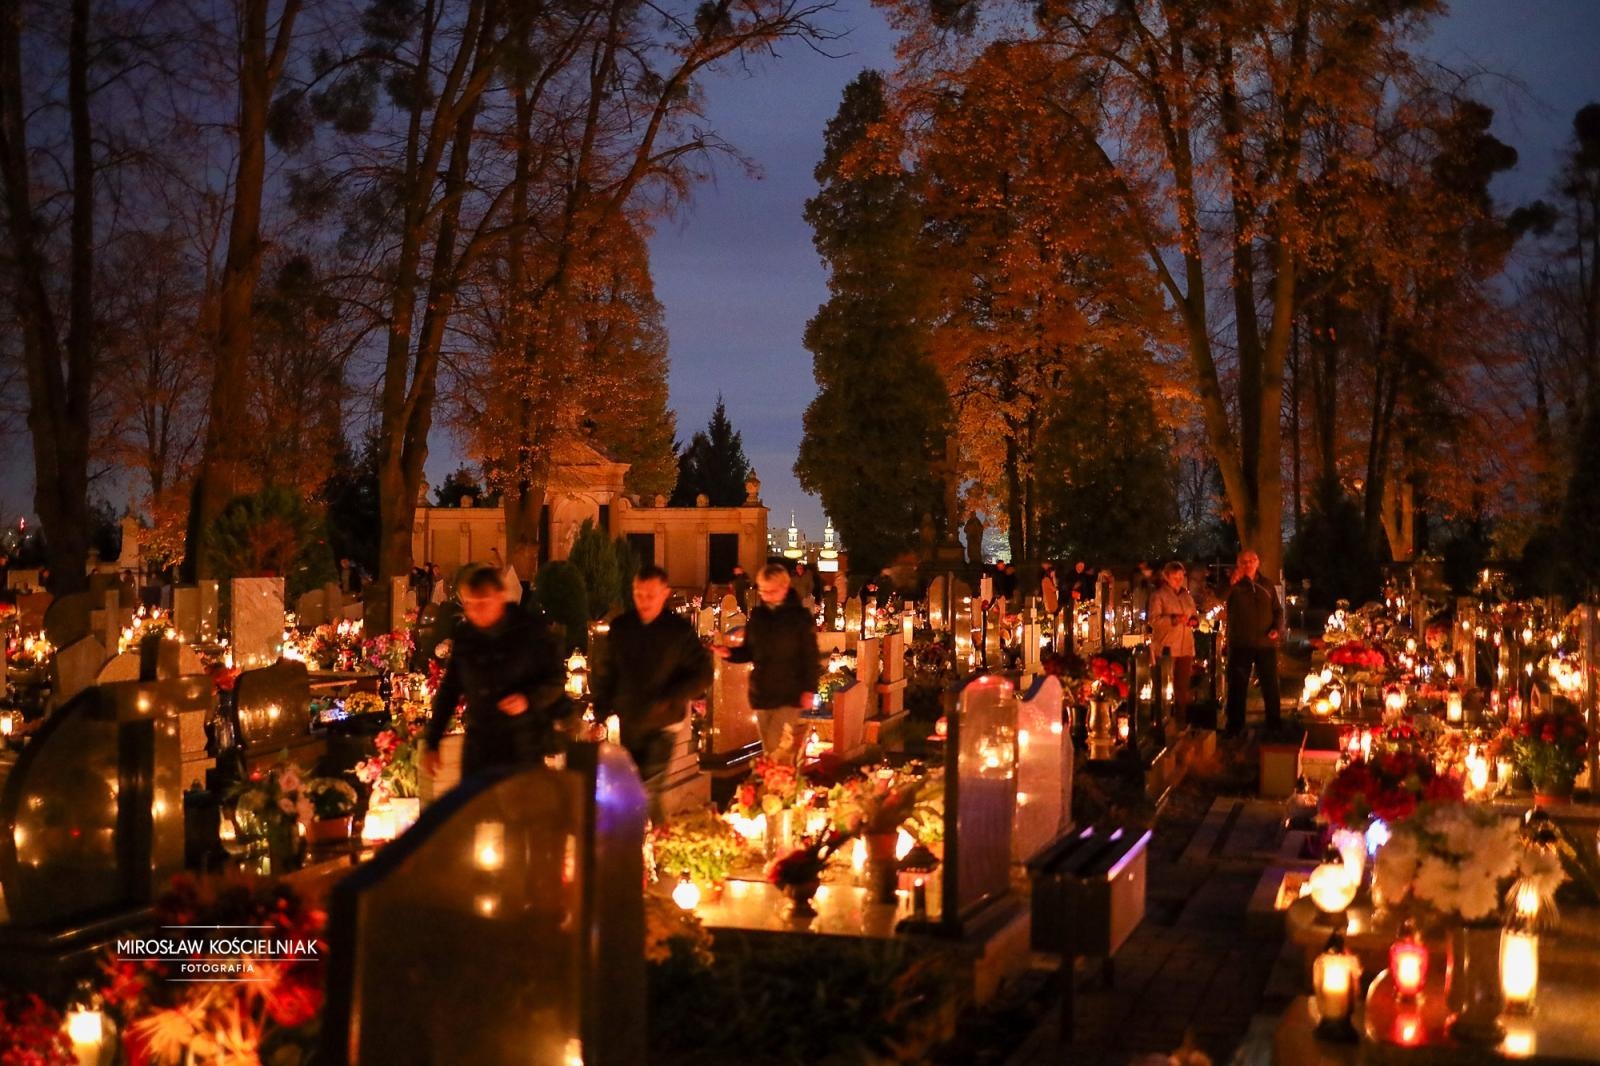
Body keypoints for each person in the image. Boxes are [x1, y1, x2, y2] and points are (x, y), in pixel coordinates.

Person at [420, 565, 570, 780]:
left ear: (500, 597)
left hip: (522, 743)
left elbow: (555, 681)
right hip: (480, 742)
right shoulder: (466, 635)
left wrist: (527, 700)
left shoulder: (531, 631)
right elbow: (450, 689)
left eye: (483, 604)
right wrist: (432, 741)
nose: (476, 612)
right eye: (470, 604)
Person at [591, 564, 712, 810]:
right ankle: (645, 840)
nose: (644, 601)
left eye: (650, 595)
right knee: (633, 789)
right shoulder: (622, 628)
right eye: (638, 594)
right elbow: (608, 672)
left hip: (663, 724)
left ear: (664, 594)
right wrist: (600, 713)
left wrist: (671, 697)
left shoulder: (677, 631)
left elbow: (702, 673)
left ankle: (650, 840)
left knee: (647, 791)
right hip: (631, 719)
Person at [713, 564, 820, 762]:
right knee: (771, 750)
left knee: (778, 748)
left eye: (772, 590)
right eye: (763, 590)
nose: (767, 595)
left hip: (790, 691)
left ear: (785, 587)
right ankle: (781, 787)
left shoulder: (799, 617)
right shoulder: (758, 617)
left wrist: (809, 688)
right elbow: (751, 651)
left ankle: (780, 788)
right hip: (762, 691)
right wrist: (729, 653)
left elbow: (810, 655)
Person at [1224, 549, 1283, 737]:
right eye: (1244, 561)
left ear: (1258, 563)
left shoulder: (1267, 584)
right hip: (1241, 643)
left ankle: (1274, 723)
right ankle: (1235, 725)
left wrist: (1277, 628)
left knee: (1270, 684)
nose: (1248, 564)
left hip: (1266, 643)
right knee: (1238, 685)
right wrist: (1230, 583)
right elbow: (1218, 598)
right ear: (1238, 563)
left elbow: (1278, 611)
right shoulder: (1233, 584)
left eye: (1252, 560)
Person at [1148, 562, 1199, 726]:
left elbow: (1195, 614)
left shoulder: (1187, 596)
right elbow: (1154, 620)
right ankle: (1162, 722)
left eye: (1181, 577)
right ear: (1166, 577)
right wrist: (1174, 619)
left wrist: (1194, 621)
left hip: (1186, 647)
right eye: (1175, 577)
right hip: (1167, 647)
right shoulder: (1158, 596)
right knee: (1164, 688)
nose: (1179, 580)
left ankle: (1181, 722)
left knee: (1182, 689)